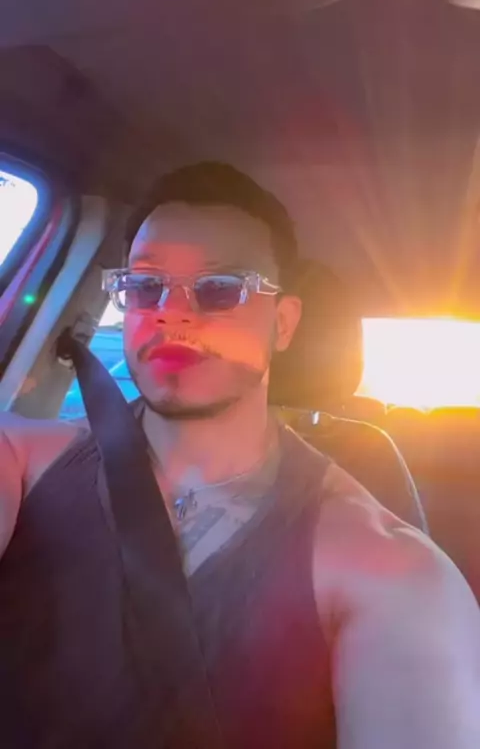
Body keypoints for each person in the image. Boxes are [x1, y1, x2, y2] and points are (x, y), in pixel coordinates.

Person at [0, 161, 479, 748]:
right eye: (146, 286)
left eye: (220, 289)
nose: (171, 312)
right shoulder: (20, 458)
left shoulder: (387, 570)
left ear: (284, 323)